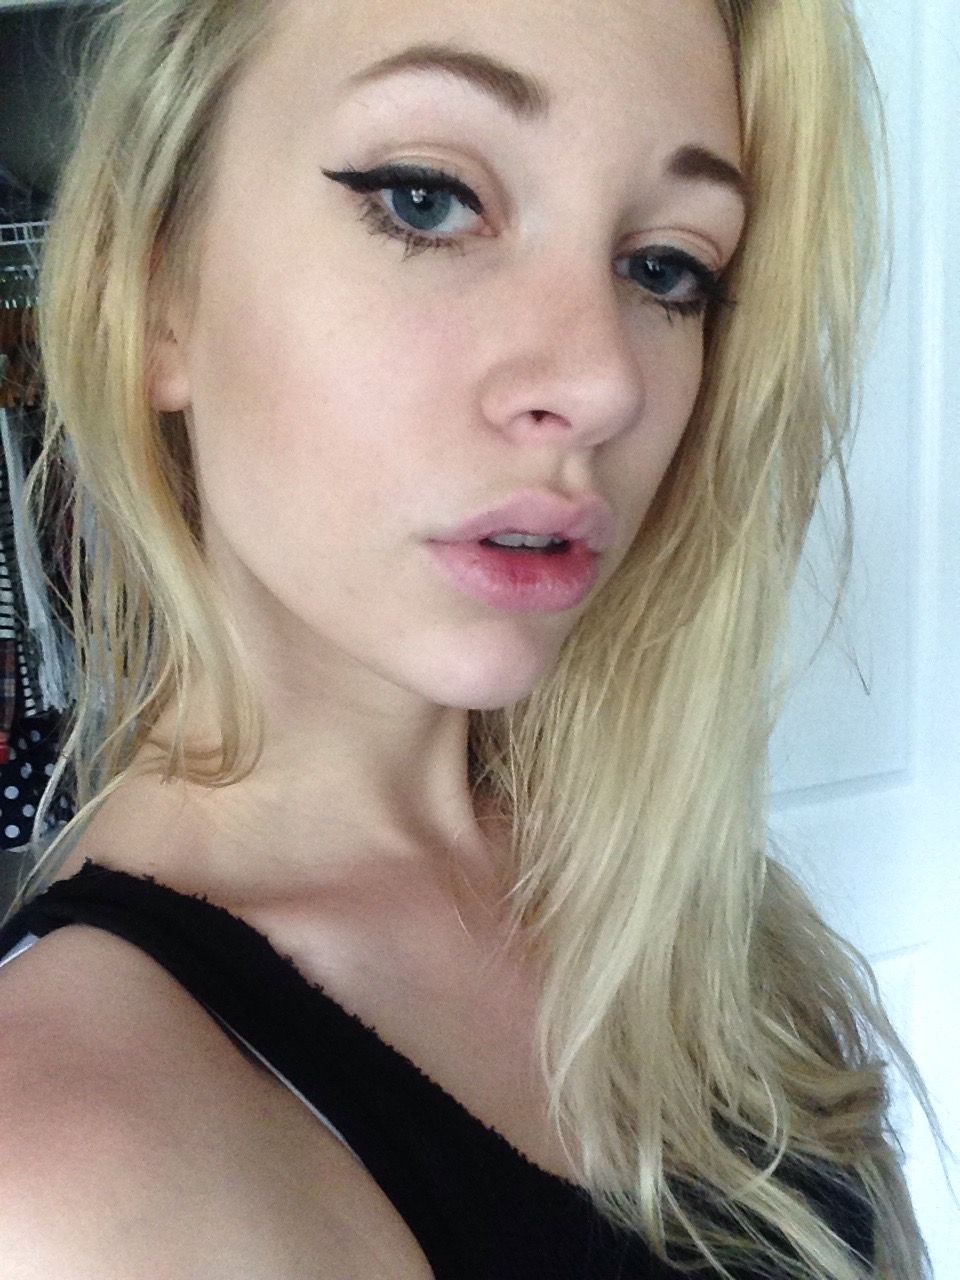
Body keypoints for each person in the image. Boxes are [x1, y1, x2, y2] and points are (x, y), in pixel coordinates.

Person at [0, 0, 935, 1275]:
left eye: (667, 267)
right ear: (158, 285)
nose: (603, 381)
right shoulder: (67, 1173)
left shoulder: (673, 889)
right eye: (428, 199)